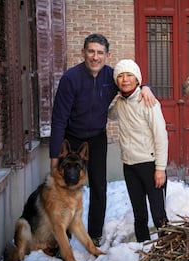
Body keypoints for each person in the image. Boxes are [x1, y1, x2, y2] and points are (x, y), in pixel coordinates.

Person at [49, 34, 156, 246]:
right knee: (66, 188)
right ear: (83, 53)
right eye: (91, 51)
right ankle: (63, 238)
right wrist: (54, 156)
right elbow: (59, 119)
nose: (95, 57)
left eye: (100, 52)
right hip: (72, 138)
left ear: (107, 55)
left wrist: (146, 86)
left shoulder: (111, 76)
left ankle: (95, 234)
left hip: (96, 138)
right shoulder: (71, 79)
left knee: (99, 186)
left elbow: (131, 81)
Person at [109, 59, 169, 242]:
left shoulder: (148, 101)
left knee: (158, 213)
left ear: (137, 79)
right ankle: (141, 248)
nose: (125, 79)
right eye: (120, 76)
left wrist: (160, 168)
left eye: (129, 75)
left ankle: (167, 248)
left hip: (150, 165)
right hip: (130, 165)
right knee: (139, 213)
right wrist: (113, 95)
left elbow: (161, 135)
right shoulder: (119, 103)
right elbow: (109, 114)